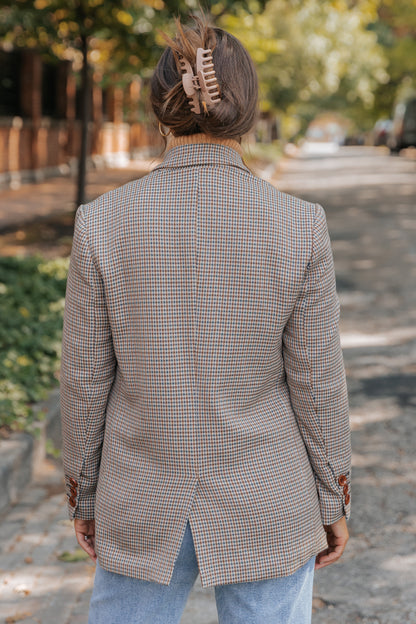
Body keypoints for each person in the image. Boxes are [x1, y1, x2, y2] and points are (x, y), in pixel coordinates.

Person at [61, 15, 351, 624]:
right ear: (246, 111)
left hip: (140, 492)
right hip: (266, 491)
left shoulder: (103, 220)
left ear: (159, 110)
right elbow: (317, 383)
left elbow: (86, 379)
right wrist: (332, 494)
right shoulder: (298, 222)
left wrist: (84, 492)